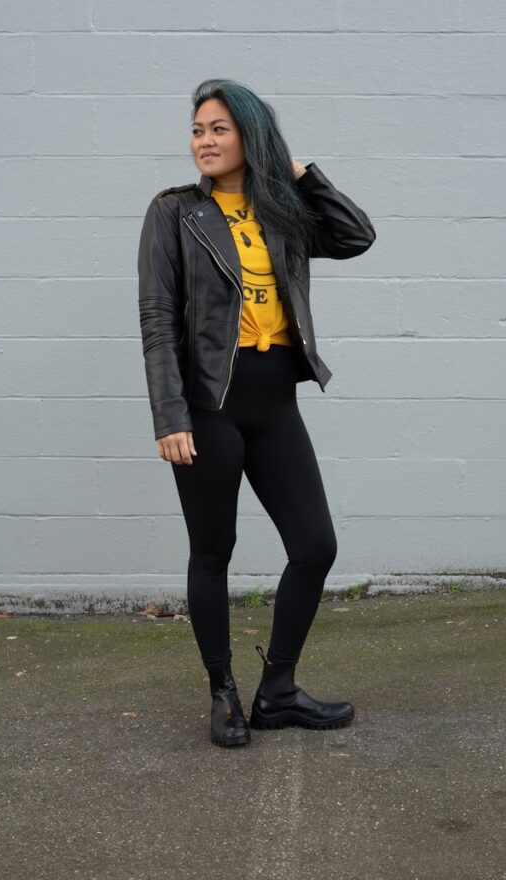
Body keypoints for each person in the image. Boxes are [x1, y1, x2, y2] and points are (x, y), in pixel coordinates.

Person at [137, 79, 377, 747]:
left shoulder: (282, 211)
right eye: (196, 130)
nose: (203, 142)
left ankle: (277, 690)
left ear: (249, 136)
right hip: (208, 405)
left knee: (315, 546)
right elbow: (157, 319)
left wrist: (298, 170)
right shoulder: (173, 214)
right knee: (213, 551)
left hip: (276, 399)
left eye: (217, 129)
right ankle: (222, 693)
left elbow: (356, 235)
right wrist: (169, 416)